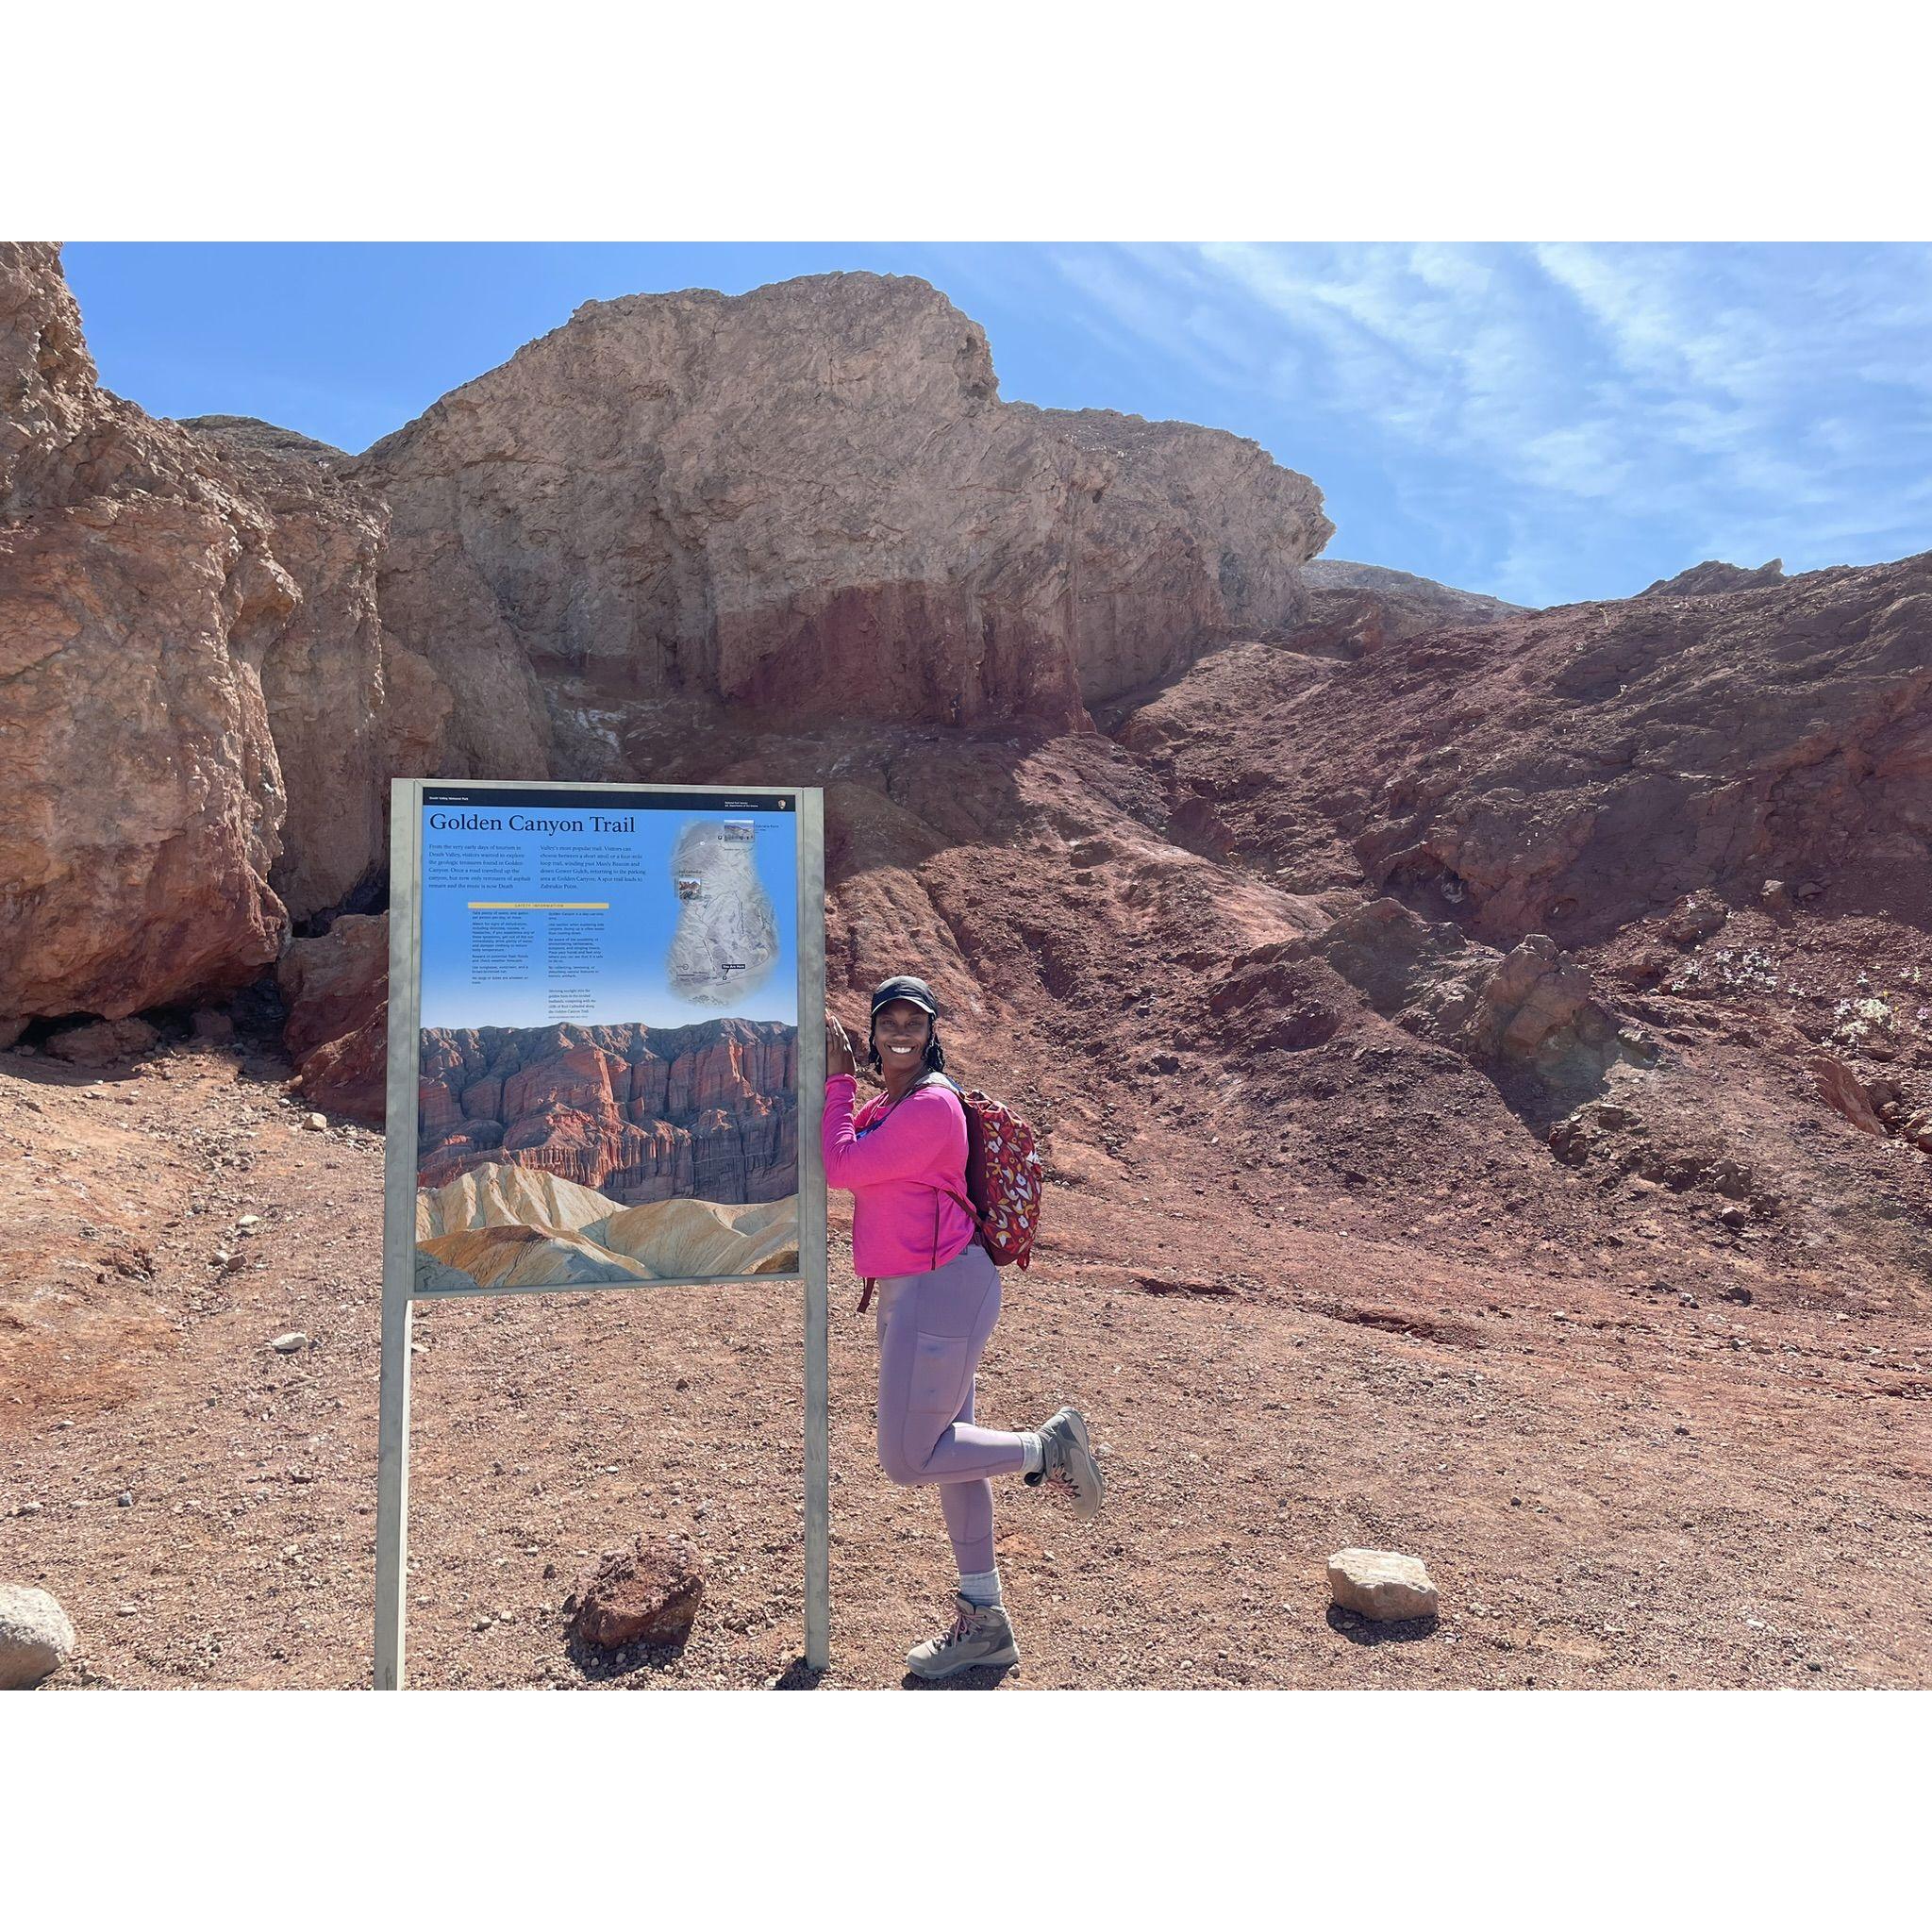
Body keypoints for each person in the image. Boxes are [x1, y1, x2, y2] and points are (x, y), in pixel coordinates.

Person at [822, 974, 1104, 1681]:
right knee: (955, 1457)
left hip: (941, 1287)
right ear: (877, 1031)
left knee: (909, 1457)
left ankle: (1049, 1447)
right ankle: (985, 1623)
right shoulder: (892, 1102)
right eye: (889, 1021)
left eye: (914, 1022)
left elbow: (840, 1163)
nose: (901, 1033)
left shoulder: (933, 1107)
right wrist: (851, 1096)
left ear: (932, 1032)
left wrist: (834, 1088)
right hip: (920, 1290)